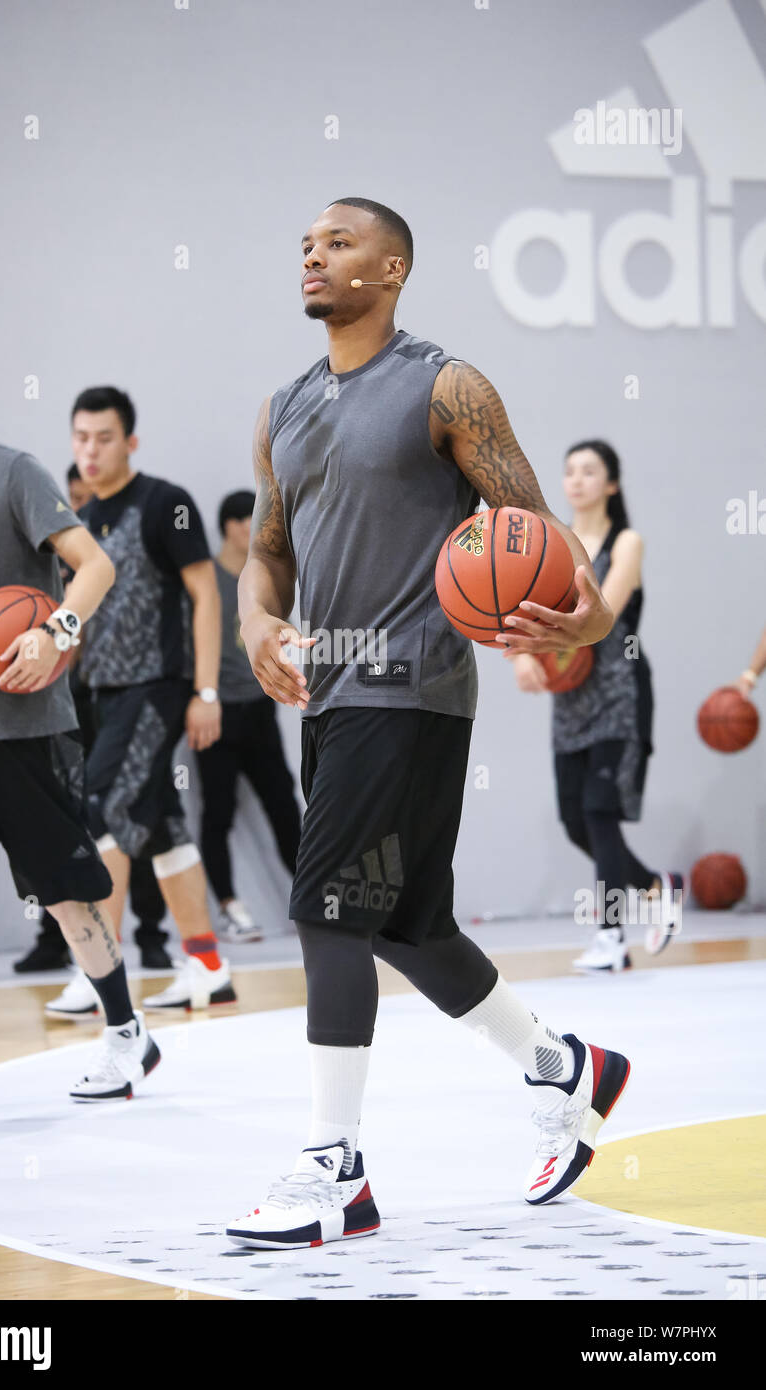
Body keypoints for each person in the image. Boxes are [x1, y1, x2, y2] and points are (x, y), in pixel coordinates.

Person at [227, 197, 629, 1249]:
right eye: (304, 242)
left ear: (391, 267)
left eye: (338, 242)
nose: (313, 254)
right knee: (406, 927)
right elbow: (267, 550)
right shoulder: (282, 407)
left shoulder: (445, 385)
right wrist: (256, 617)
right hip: (330, 692)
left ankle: (333, 1167)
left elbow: (538, 538)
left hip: (411, 688)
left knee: (325, 909)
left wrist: (578, 615)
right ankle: (565, 1067)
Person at [0, 326, 161, 1120]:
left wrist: (56, 633)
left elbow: (97, 565)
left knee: (68, 898)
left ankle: (125, 1032)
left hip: (21, 732)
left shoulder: (14, 473)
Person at [45, 386, 235, 1020]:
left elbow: (207, 597)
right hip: (98, 694)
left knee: (103, 808)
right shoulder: (80, 521)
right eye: (80, 438)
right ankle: (208, 965)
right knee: (161, 827)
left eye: (103, 438)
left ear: (130, 441)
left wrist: (206, 691)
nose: (90, 450)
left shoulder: (166, 504)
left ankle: (99, 974)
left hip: (156, 688)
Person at [513, 441, 684, 970]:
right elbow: (520, 606)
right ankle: (657, 886)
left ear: (612, 483)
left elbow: (597, 614)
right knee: (574, 819)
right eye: (570, 471)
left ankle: (611, 937)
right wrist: (519, 655)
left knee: (599, 810)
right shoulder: (551, 544)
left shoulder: (626, 541)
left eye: (590, 471)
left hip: (618, 688)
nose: (577, 480)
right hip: (569, 694)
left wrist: (536, 641)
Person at [16, 464, 172, 974]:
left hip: (129, 690)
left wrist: (205, 690)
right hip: (71, 695)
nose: (79, 507)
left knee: (119, 810)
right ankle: (56, 938)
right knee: (94, 817)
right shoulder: (54, 551)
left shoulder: (114, 541)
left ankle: (136, 944)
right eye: (73, 500)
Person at [192, 489, 302, 943]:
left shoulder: (265, 582)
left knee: (283, 803)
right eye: (246, 521)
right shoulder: (207, 578)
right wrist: (202, 696)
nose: (252, 529)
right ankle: (229, 908)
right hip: (217, 711)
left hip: (259, 709)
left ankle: (312, 900)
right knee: (217, 812)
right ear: (231, 526)